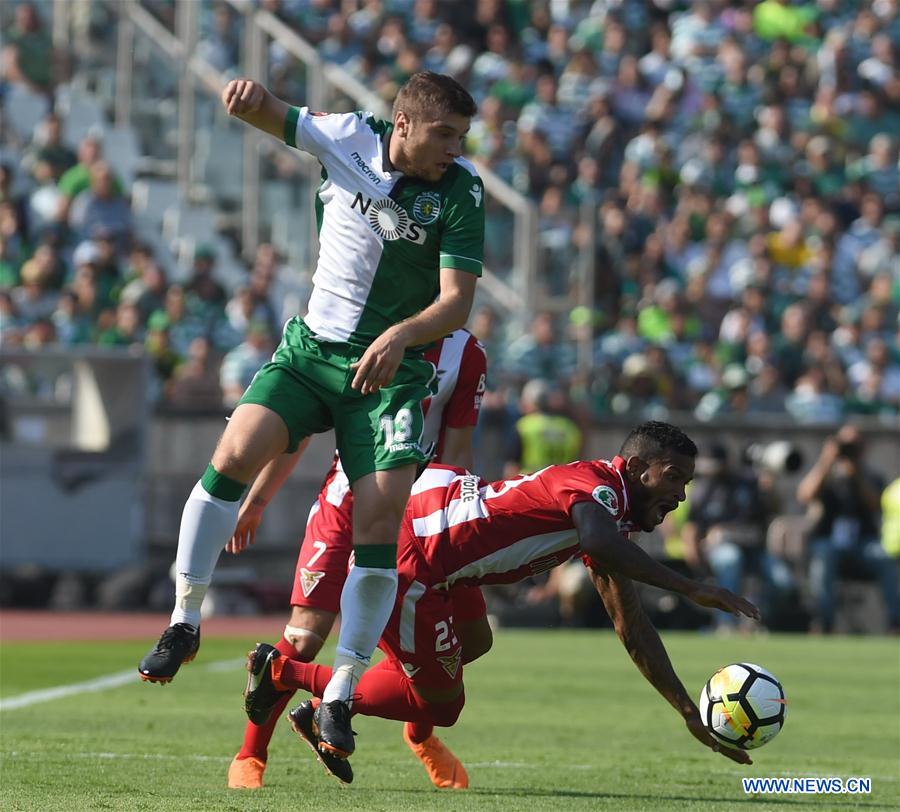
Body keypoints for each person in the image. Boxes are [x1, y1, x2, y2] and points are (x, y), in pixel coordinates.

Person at [138, 71, 483, 765]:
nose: (455, 148)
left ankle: (341, 689)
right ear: (403, 124)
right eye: (444, 134)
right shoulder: (348, 136)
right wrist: (245, 97)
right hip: (311, 353)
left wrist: (398, 337)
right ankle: (184, 620)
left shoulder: (461, 189)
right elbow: (272, 114)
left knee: (379, 523)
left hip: (388, 376)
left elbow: (456, 303)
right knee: (233, 455)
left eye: (461, 137)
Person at [242, 421, 760, 785]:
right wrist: (691, 587)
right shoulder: (599, 490)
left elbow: (632, 626)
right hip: (416, 559)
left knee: (474, 640)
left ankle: (325, 708)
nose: (681, 495)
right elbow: (600, 542)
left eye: (686, 482)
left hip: (442, 532)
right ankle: (283, 672)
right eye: (673, 477)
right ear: (638, 467)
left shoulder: (609, 516)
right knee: (443, 705)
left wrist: (687, 710)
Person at [228, 327, 487, 789]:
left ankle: (411, 730)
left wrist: (456, 525)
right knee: (305, 634)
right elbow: (299, 426)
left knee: (468, 638)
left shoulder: (465, 352)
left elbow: (458, 450)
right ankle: (250, 755)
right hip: (346, 499)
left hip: (420, 508)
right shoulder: (357, 328)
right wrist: (258, 499)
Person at [796, 424, 899, 633]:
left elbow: (876, 504)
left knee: (885, 558)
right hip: (829, 541)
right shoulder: (827, 475)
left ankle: (895, 623)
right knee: (824, 554)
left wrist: (857, 474)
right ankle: (824, 622)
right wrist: (826, 461)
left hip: (863, 544)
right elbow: (804, 495)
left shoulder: (871, 476)